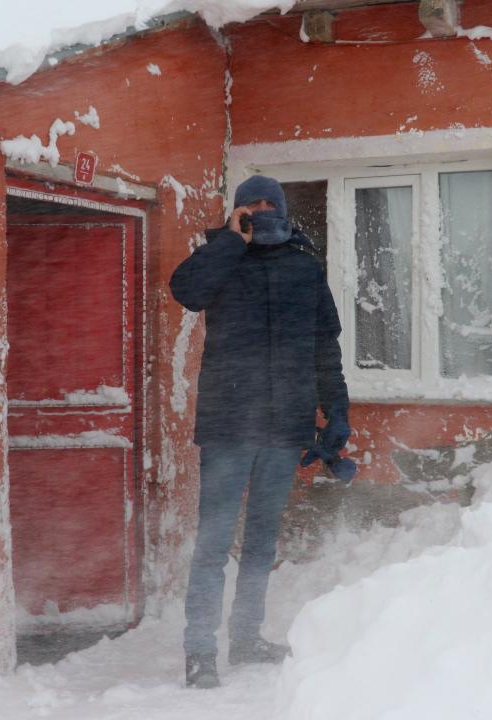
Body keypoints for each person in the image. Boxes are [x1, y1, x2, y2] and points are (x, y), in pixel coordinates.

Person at [170, 175, 351, 689]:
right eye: (253, 204)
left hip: (284, 426)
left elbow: (325, 349)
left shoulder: (304, 266)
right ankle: (200, 651)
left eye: (272, 203)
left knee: (261, 542)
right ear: (237, 211)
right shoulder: (222, 259)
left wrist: (335, 411)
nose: (263, 209)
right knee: (213, 542)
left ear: (285, 209)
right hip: (229, 425)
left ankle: (246, 637)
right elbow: (186, 291)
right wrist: (231, 241)